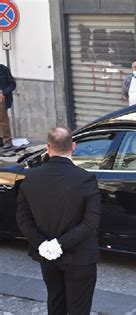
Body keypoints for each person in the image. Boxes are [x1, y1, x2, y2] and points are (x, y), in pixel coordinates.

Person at [16, 127, 101, 315]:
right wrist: (60, 244)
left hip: (47, 257)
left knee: (55, 303)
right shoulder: (86, 179)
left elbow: (23, 219)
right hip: (80, 257)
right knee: (79, 309)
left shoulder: (31, 178)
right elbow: (90, 222)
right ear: (73, 146)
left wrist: (43, 244)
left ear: (47, 147)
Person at [0, 64, 16, 149]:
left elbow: (12, 84)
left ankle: (7, 140)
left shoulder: (4, 69)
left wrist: (3, 92)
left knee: (3, 120)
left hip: (2, 98)